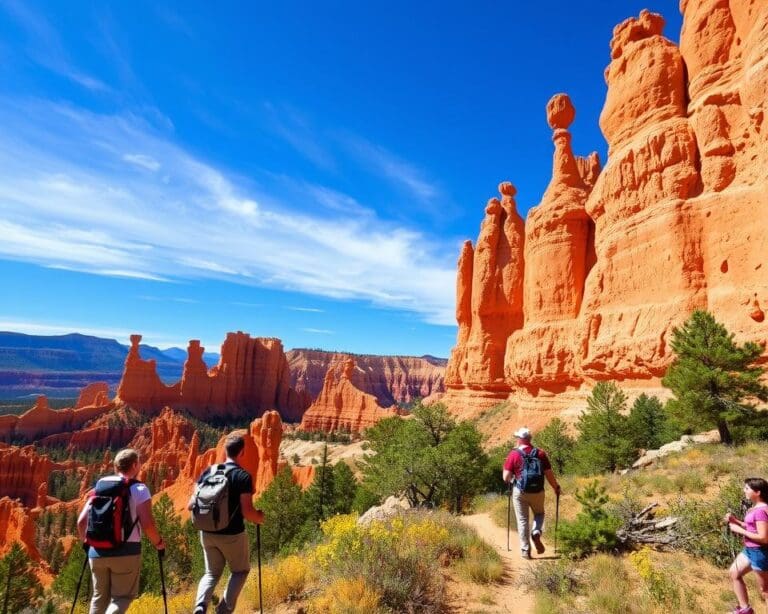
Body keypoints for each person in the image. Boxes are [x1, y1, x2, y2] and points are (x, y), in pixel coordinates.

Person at [76, 448, 165, 614]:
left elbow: (81, 522)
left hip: (96, 553)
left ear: (116, 466)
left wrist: (87, 546)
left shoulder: (99, 486)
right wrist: (159, 543)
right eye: (139, 463)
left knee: (98, 599)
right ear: (134, 465)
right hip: (126, 551)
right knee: (122, 598)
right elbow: (147, 524)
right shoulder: (139, 489)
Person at [192, 432, 265, 614]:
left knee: (211, 573)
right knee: (240, 571)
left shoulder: (208, 472)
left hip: (206, 533)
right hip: (232, 534)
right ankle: (224, 609)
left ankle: (200, 607)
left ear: (224, 451)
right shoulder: (243, 476)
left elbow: (190, 504)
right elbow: (247, 512)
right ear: (242, 453)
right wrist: (260, 518)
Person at [502, 426, 561, 559]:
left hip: (520, 491)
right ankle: (536, 532)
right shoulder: (540, 453)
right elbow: (549, 475)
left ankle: (525, 550)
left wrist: (510, 475)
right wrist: (556, 487)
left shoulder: (514, 454)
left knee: (522, 520)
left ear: (519, 439)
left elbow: (506, 477)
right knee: (539, 513)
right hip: (538, 492)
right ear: (529, 439)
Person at [724, 477, 768, 614]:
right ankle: (745, 610)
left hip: (760, 552)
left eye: (747, 488)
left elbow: (763, 538)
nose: (744, 490)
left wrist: (740, 530)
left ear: (758, 492)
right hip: (750, 550)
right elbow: (751, 527)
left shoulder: (761, 510)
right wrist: (735, 521)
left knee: (765, 591)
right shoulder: (755, 508)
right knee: (734, 573)